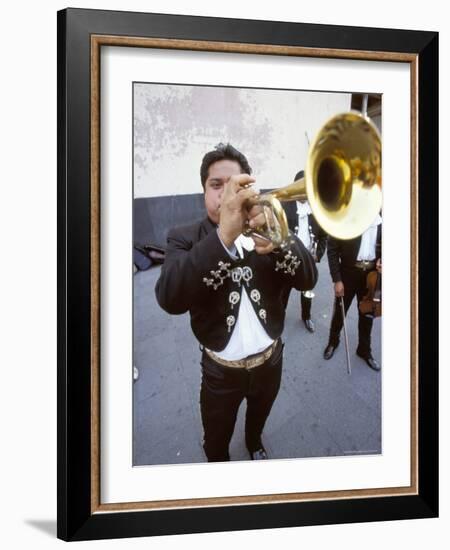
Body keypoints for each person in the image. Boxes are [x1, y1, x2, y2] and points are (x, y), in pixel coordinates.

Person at [155, 143, 317, 462]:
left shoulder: (270, 227)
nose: (226, 195)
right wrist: (223, 238)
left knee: (259, 417)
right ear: (204, 191)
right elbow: (170, 297)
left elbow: (308, 280)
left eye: (236, 186)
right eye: (217, 186)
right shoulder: (184, 237)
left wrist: (281, 241)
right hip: (219, 371)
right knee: (216, 436)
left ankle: (254, 442)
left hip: (270, 362)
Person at [323, 214, 382, 371]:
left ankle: (364, 349)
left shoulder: (384, 219)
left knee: (367, 314)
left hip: (371, 276)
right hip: (348, 274)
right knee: (340, 312)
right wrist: (337, 280)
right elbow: (332, 250)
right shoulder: (346, 218)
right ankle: (333, 342)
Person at [291, 170, 327, 332]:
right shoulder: (285, 207)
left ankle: (306, 316)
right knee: (282, 290)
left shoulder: (317, 210)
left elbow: (323, 237)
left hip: (307, 258)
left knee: (307, 289)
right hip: (287, 257)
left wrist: (317, 255)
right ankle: (277, 314)